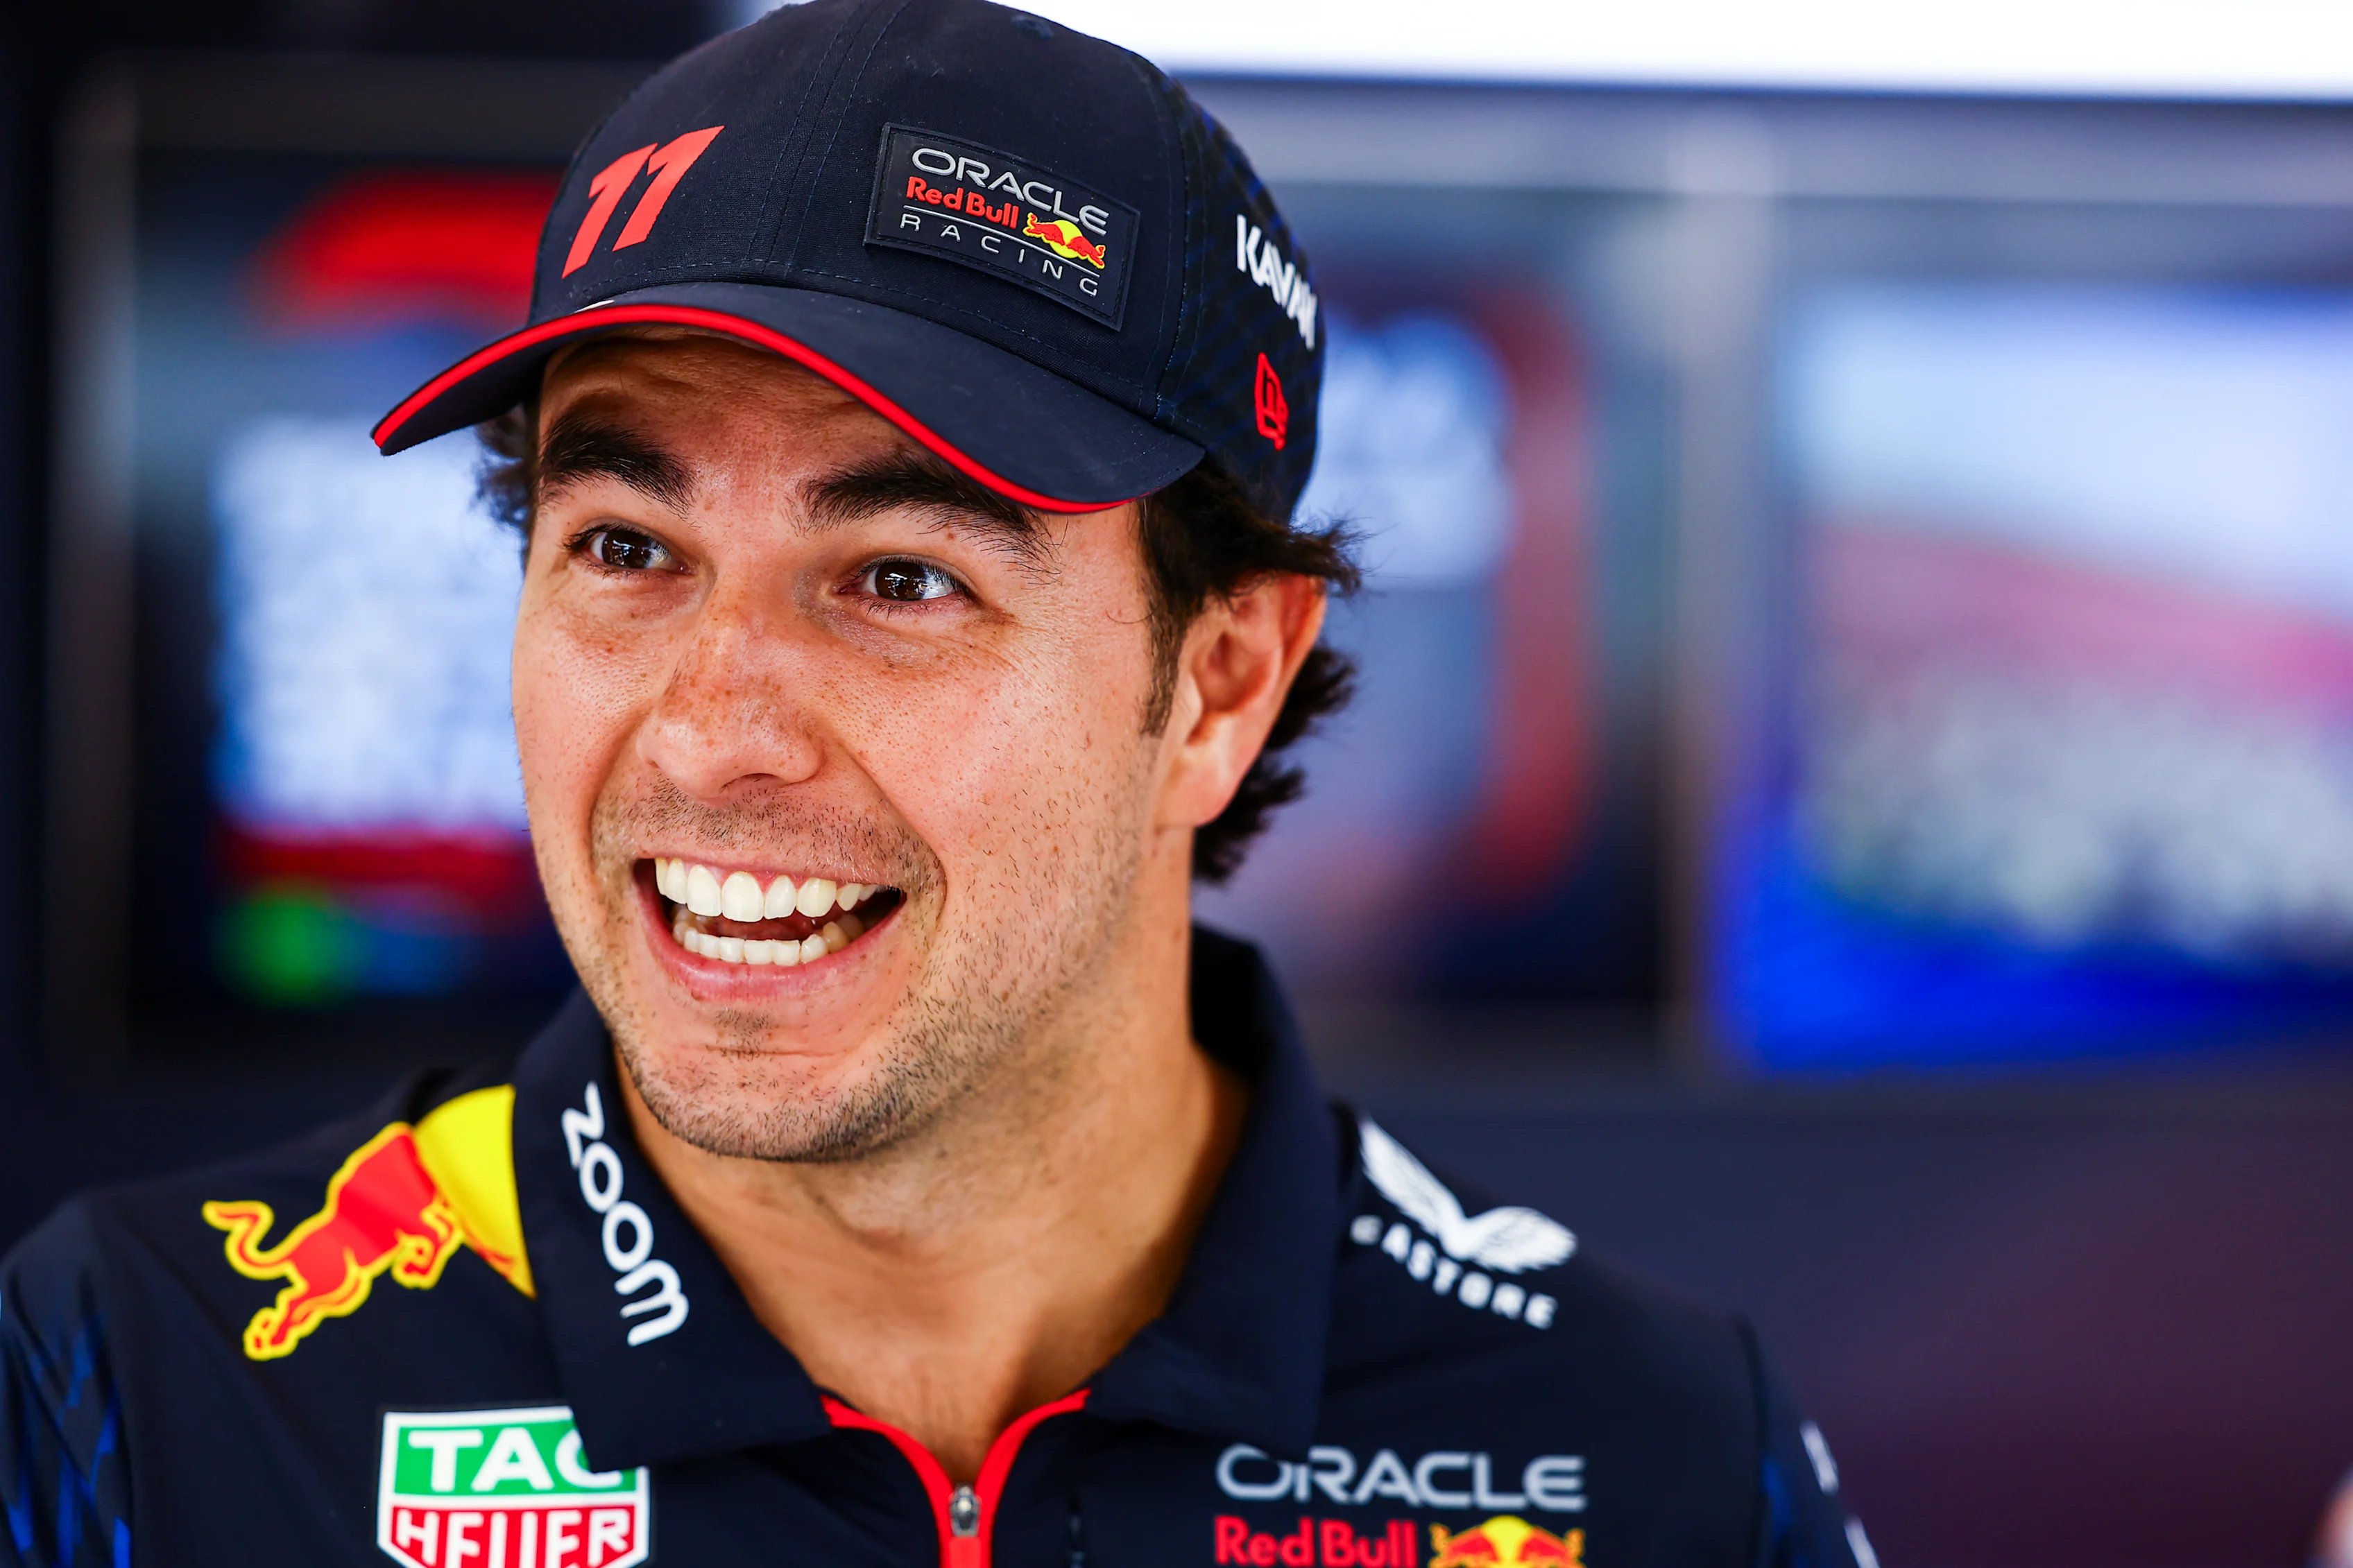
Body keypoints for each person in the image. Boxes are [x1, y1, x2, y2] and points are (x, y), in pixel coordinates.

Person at [0, 3, 1876, 1565]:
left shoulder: (1649, 1460)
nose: (712, 730)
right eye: (625, 547)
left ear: (1220, 678)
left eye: (901, 580)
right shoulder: (141, 1388)